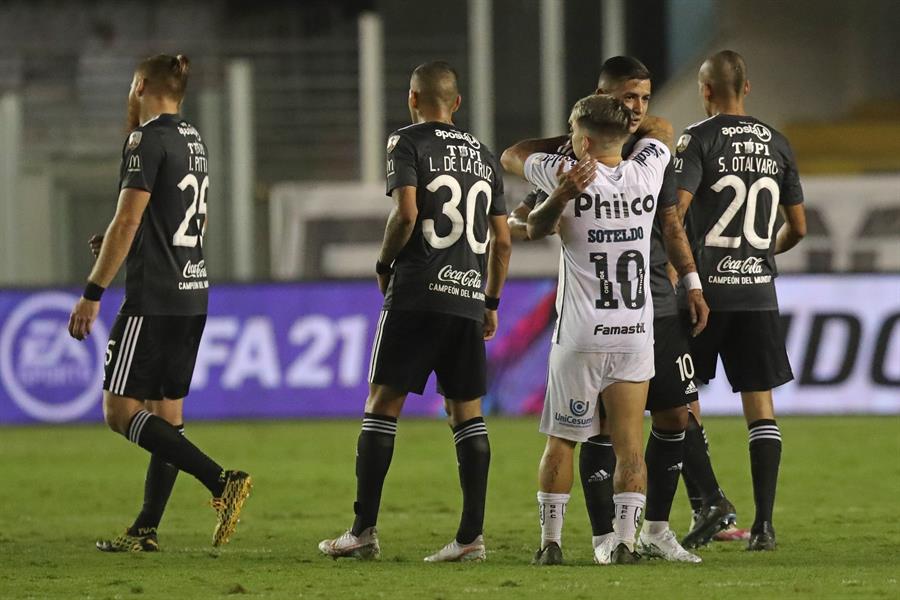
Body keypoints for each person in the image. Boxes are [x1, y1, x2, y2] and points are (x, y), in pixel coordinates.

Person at [507, 56, 720, 563]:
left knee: (562, 441)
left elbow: (513, 160)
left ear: (580, 140)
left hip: (581, 334)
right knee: (630, 444)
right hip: (633, 332)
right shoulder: (647, 172)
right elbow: (662, 134)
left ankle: (551, 545)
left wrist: (559, 180)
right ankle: (624, 542)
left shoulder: (563, 170)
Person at [318, 61, 511, 563]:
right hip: (468, 295)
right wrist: (490, 300)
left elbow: (406, 212)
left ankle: (362, 532)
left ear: (412, 99)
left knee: (383, 404)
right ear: (458, 103)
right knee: (466, 414)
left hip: (418, 291)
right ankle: (471, 538)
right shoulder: (486, 156)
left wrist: (384, 262)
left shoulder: (406, 143)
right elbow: (503, 240)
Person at [67, 54, 251, 552]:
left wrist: (92, 293)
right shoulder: (194, 141)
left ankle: (220, 481)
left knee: (118, 411)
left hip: (153, 297)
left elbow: (128, 221)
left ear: (142, 84)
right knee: (167, 418)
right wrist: (128, 240)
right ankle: (145, 530)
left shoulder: (144, 139)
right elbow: (189, 221)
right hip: (192, 290)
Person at [674, 50, 807, 551]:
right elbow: (798, 228)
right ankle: (765, 527)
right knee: (761, 406)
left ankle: (706, 503)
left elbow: (678, 212)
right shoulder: (778, 143)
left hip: (703, 293)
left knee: (681, 399)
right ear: (746, 88)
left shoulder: (698, 138)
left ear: (705, 90)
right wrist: (755, 252)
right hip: (757, 292)